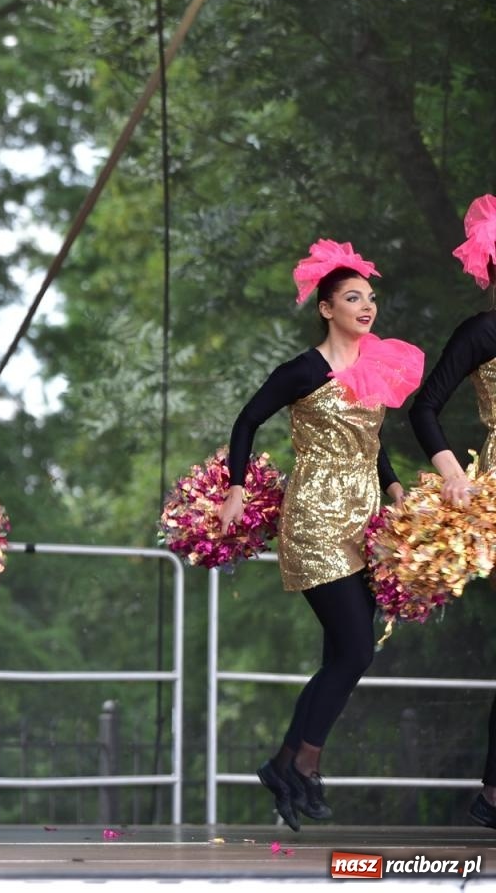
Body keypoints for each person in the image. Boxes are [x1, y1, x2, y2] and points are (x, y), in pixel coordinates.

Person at [219, 239, 417, 831]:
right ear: (327, 308)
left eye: (370, 298)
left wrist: (394, 487)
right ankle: (303, 763)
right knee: (356, 650)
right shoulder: (303, 371)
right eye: (353, 298)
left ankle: (283, 765)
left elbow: (371, 441)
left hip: (364, 521)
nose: (367, 307)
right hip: (314, 520)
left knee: (342, 655)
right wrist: (235, 488)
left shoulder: (375, 365)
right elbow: (248, 420)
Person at [405, 194, 496, 830]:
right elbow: (424, 406)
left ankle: (492, 794)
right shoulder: (482, 332)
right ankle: (493, 793)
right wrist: (455, 475)